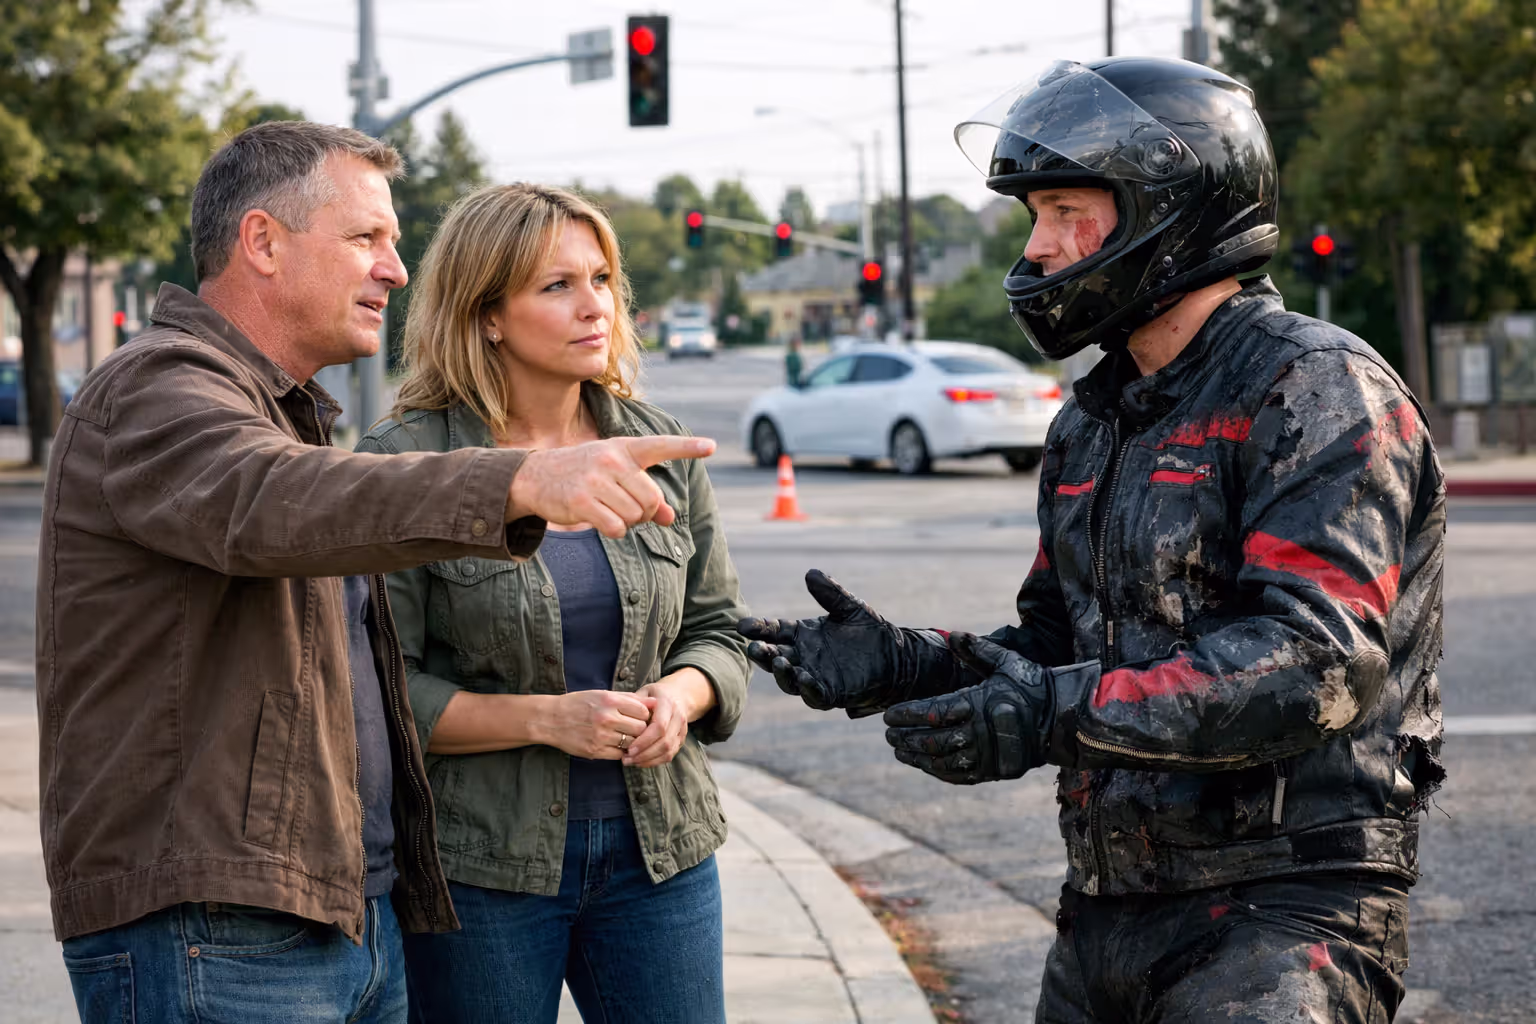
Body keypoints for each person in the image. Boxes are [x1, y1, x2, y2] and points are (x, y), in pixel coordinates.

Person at [740, 57, 1444, 1022]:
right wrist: (911, 665)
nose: (1038, 249)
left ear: (1175, 209)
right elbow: (1058, 648)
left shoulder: (1313, 386)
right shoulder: (1092, 420)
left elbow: (1315, 663)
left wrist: (1045, 715)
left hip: (1285, 910)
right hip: (1106, 906)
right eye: (1036, 216)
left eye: (1067, 211)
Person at [37, 122, 712, 1024]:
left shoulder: (277, 411)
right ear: (263, 242)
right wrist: (518, 479)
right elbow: (269, 499)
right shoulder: (157, 388)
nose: (395, 270)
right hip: (215, 930)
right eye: (366, 238)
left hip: (345, 914)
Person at [356, 182, 750, 1024]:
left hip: (663, 851)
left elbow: (719, 632)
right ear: (488, 315)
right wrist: (546, 719)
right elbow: (384, 690)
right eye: (557, 285)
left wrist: (679, 699)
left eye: (601, 279)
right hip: (481, 868)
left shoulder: (656, 445)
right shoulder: (407, 464)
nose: (594, 305)